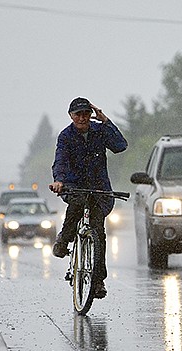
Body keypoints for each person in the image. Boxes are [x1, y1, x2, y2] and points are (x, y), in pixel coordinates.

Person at [49, 97, 128, 299]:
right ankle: (64, 239)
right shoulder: (66, 136)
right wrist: (59, 180)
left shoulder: (100, 131)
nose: (82, 118)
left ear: (91, 114)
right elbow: (60, 161)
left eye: (86, 113)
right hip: (74, 186)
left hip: (99, 188)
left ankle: (98, 280)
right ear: (71, 116)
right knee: (76, 206)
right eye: (78, 114)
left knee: (98, 232)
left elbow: (120, 145)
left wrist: (106, 121)